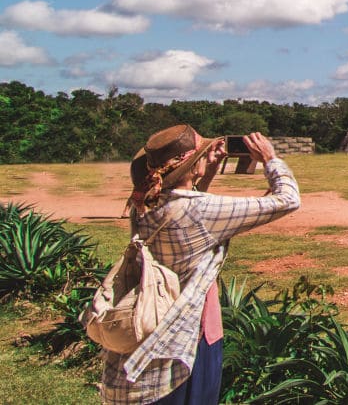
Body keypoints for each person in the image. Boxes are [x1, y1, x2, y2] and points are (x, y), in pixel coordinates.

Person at [100, 126, 301, 404]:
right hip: (186, 335)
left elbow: (187, 201)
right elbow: (288, 200)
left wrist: (205, 170)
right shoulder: (198, 212)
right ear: (191, 166)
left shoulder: (144, 204)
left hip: (146, 323)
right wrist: (270, 159)